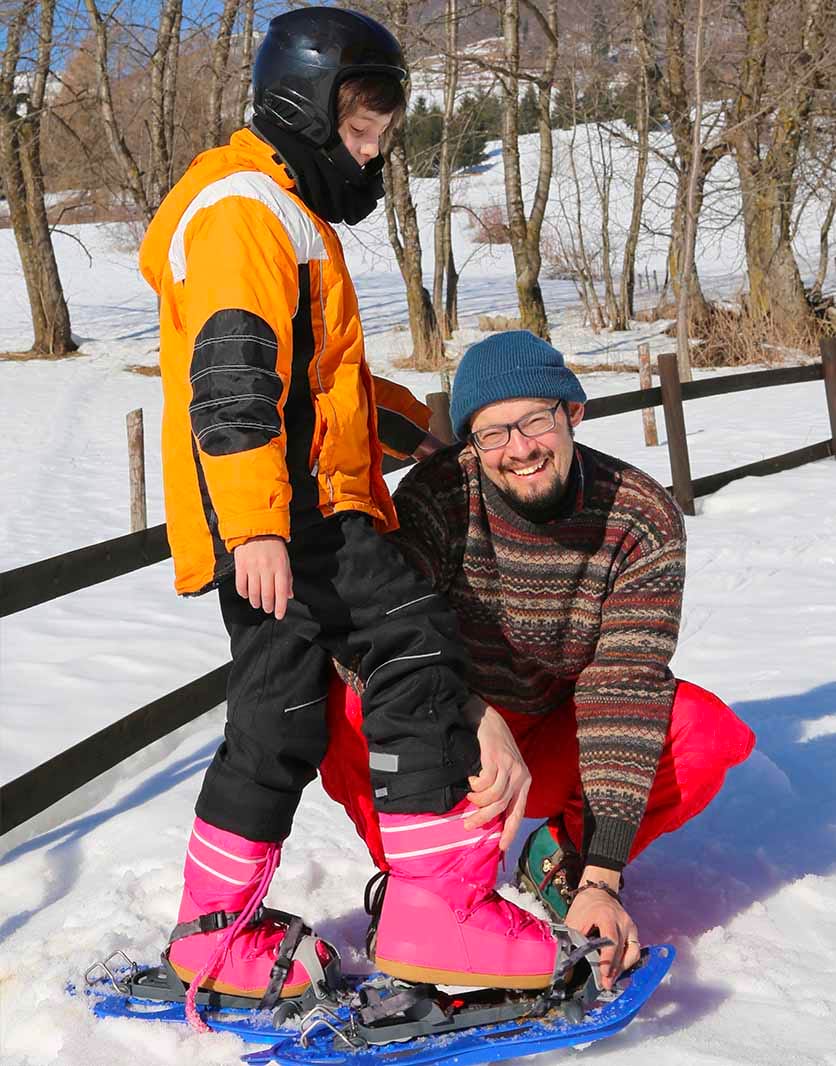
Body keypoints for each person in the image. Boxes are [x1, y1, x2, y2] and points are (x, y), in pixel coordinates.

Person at [138, 10, 560, 1028]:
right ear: (305, 104)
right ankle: (435, 912)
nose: (371, 153)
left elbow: (316, 384)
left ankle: (213, 933)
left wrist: (413, 426)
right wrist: (258, 526)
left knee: (277, 716)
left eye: (380, 132)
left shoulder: (276, 210)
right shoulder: (246, 208)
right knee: (413, 652)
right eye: (362, 130)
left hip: (279, 510)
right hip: (295, 513)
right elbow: (235, 373)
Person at [321, 329, 756, 992]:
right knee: (348, 697)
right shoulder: (438, 498)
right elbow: (375, 636)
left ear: (572, 412)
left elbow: (627, 685)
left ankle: (561, 863)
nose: (518, 449)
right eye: (493, 433)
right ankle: (421, 883)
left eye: (534, 421)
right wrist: (469, 709)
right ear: (470, 442)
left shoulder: (639, 517)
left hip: (556, 737)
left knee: (702, 730)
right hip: (448, 737)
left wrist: (603, 876)